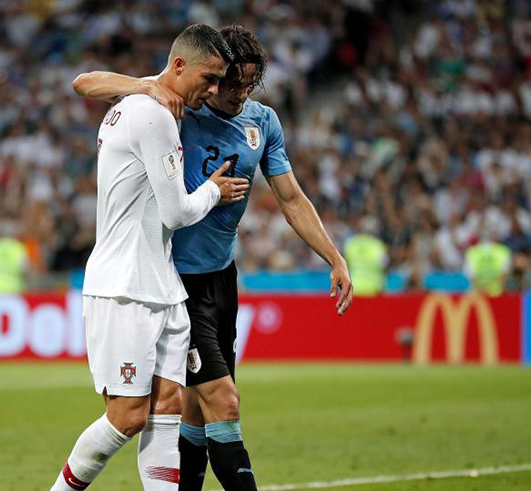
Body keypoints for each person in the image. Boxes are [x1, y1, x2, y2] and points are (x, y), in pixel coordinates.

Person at [72, 24, 353, 491]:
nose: (240, 94)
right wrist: (144, 84)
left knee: (195, 412)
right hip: (176, 282)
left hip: (222, 278)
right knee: (223, 400)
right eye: (231, 83)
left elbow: (291, 199)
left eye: (249, 84)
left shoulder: (262, 123)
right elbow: (86, 83)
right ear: (212, 76)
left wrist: (334, 258)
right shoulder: (179, 103)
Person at [51, 24, 249, 491]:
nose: (215, 90)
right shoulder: (151, 114)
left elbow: (89, 82)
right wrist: (213, 190)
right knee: (127, 416)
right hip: (124, 287)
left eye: (221, 81)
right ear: (179, 66)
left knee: (167, 408)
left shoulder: (149, 105)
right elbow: (177, 211)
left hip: (162, 286)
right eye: (210, 78)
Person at [344, 215, 387, 296]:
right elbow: (383, 267)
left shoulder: (351, 244)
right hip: (373, 288)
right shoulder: (378, 245)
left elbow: (345, 266)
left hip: (354, 287)